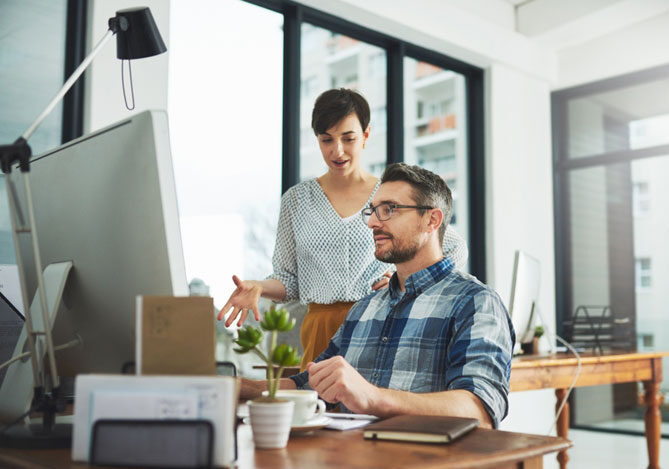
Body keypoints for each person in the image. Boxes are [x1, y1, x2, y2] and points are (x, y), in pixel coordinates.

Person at [240, 163, 515, 428]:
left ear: (432, 219)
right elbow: (311, 385)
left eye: (389, 210)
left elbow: (479, 411)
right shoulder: (364, 310)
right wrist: (242, 388)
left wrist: (371, 397)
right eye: (372, 211)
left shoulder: (476, 303)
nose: (372, 222)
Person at [218, 89, 468, 370]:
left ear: (366, 134)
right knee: (320, 408)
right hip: (319, 330)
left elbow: (454, 248)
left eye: (348, 138)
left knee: (377, 407)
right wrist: (259, 286)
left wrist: (404, 281)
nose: (337, 150)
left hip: (382, 322)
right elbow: (289, 280)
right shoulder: (297, 200)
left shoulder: (388, 196)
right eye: (327, 139)